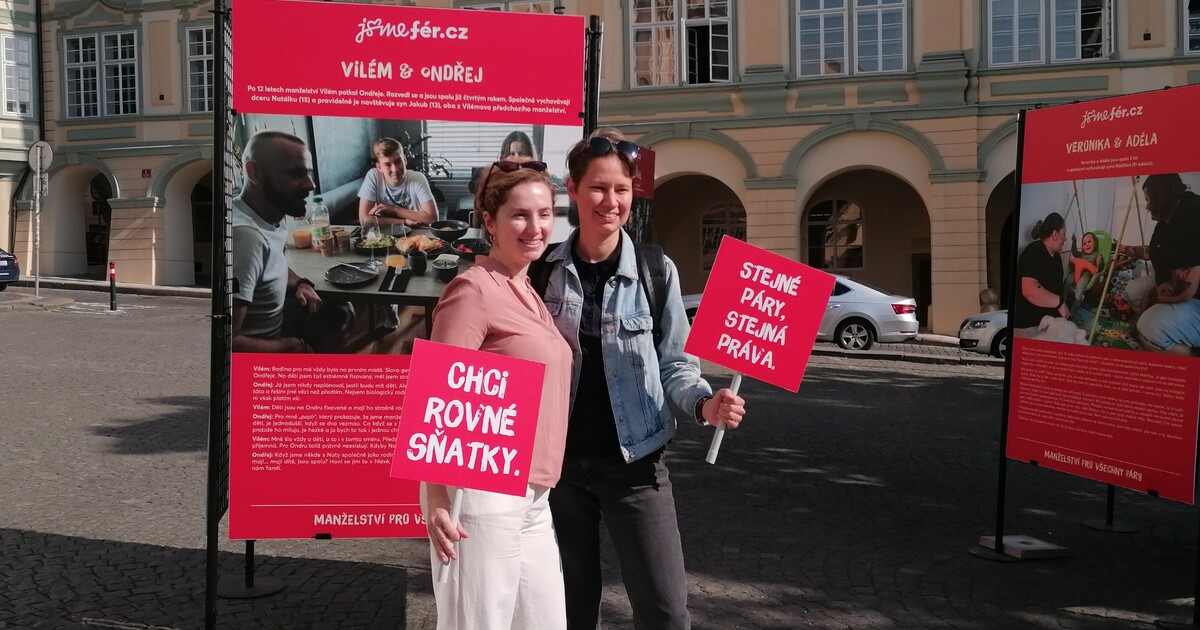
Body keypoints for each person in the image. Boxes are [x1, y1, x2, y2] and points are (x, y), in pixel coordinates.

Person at [537, 127, 747, 629]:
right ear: (572, 188)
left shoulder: (657, 270)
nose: (610, 201)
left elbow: (675, 363)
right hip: (557, 473)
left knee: (665, 612)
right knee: (568, 613)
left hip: (637, 465)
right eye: (598, 187)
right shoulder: (541, 272)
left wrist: (704, 404)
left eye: (621, 190)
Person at [423, 160, 572, 629]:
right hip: (484, 492)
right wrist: (437, 502)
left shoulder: (526, 287)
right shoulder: (473, 289)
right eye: (520, 215)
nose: (536, 227)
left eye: (545, 213)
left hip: (535, 494)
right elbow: (438, 397)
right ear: (489, 222)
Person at [231, 130, 353, 353]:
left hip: (279, 320)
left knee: (341, 310)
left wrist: (300, 283)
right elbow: (225, 340)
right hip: (259, 351)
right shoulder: (244, 237)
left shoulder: (274, 212)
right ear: (255, 172)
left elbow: (271, 263)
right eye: (297, 174)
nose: (311, 185)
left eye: (308, 173)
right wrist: (287, 347)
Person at [1121, 174, 1200, 354]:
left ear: (1162, 196)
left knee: (1147, 328)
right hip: (1176, 285)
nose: (1147, 206)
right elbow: (1153, 251)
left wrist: (1149, 297)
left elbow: (1183, 287)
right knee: (1131, 291)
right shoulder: (1166, 219)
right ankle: (1165, 318)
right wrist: (1124, 248)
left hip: (1194, 298)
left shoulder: (1192, 214)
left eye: (1149, 200)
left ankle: (1187, 358)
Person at [357, 137, 437, 228]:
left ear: (405, 160)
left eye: (398, 162)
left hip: (415, 231)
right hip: (385, 233)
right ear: (379, 167)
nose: (395, 169)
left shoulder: (417, 178)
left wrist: (394, 210)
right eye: (387, 164)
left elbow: (432, 219)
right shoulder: (373, 176)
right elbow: (364, 220)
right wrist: (404, 221)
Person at [1013, 211, 1070, 330]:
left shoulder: (1056, 258)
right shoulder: (1033, 251)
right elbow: (1030, 290)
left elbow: (1056, 289)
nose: (1065, 238)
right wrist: (1060, 303)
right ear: (1055, 234)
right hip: (1031, 324)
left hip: (1052, 321)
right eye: (1064, 234)